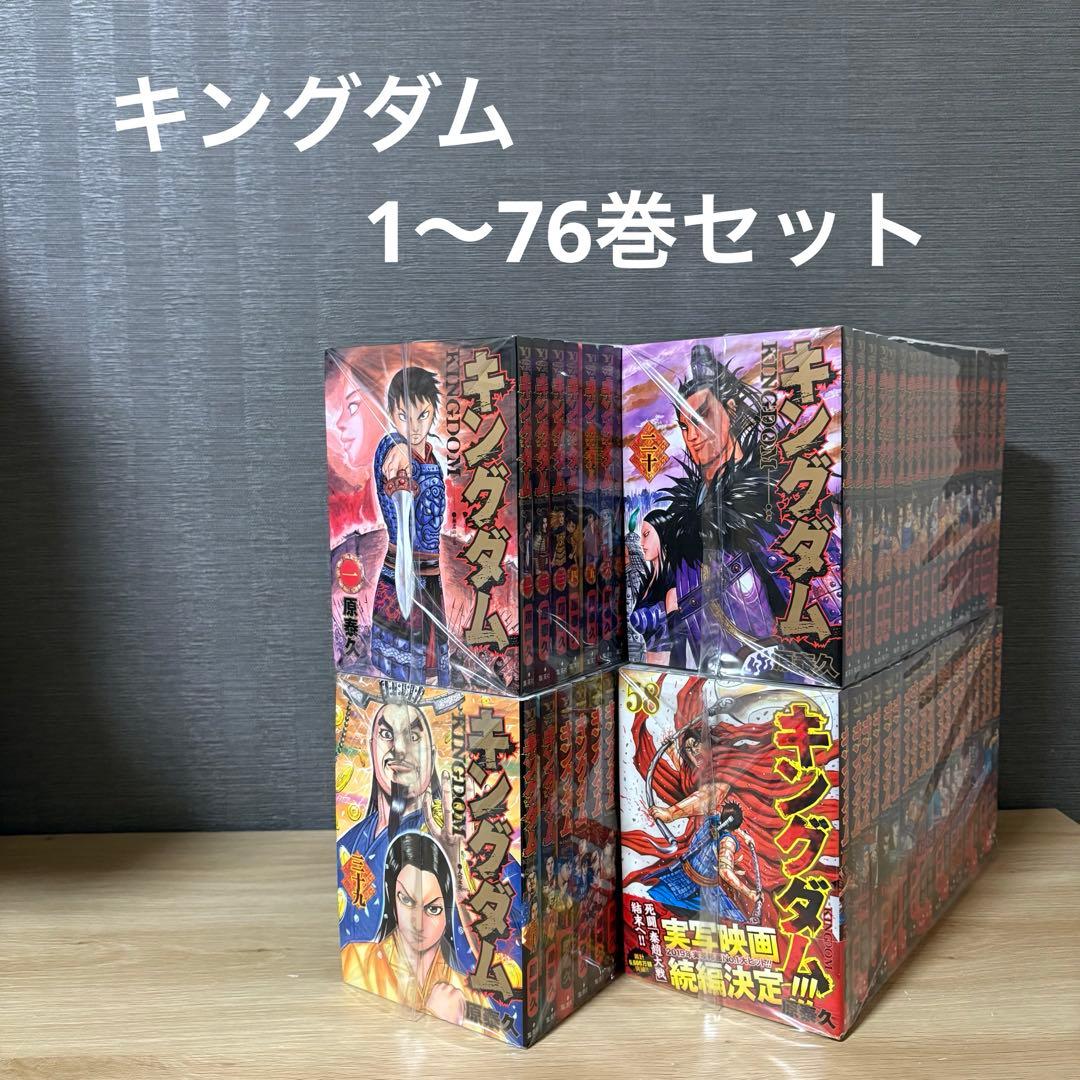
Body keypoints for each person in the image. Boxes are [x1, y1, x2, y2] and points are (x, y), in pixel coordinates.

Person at [341, 832, 479, 1024]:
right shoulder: (355, 960)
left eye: (433, 909)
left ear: (448, 911)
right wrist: (434, 1013)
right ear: (391, 896)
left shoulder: (468, 991)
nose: (418, 922)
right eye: (406, 900)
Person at [370, 366, 451, 685]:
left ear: (434, 413)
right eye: (404, 416)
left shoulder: (433, 459)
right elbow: (390, 450)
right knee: (403, 674)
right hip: (402, 572)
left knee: (430, 671)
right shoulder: (393, 451)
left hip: (430, 574)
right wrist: (398, 444)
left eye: (423, 415)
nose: (414, 427)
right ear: (391, 414)